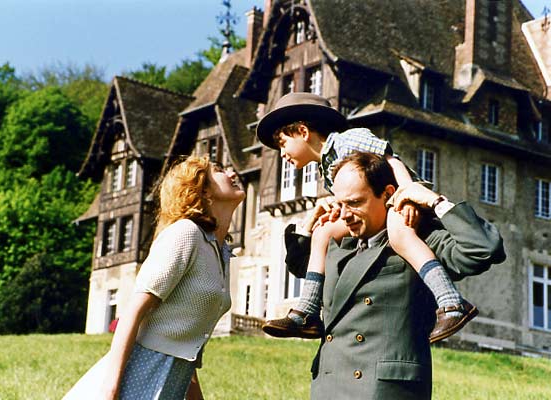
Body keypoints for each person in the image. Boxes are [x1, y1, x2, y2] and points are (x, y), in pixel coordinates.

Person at [256, 92, 478, 343]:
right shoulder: (327, 169)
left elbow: (391, 161)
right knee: (322, 233)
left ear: (302, 131)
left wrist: (407, 193)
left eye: (283, 143)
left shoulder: (347, 140)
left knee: (400, 235)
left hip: (396, 198)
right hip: (380, 207)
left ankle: (451, 302)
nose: (282, 154)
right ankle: (308, 311)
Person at [304, 152, 505, 399]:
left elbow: (485, 250)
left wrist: (434, 201)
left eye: (355, 203)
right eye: (340, 204)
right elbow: (302, 272)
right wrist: (308, 227)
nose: (345, 215)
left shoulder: (417, 238)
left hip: (385, 391)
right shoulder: (338, 243)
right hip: (328, 388)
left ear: (388, 194)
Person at [63, 156, 246, 400]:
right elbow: (133, 312)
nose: (233, 173)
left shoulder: (220, 252)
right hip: (138, 374)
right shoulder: (185, 233)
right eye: (220, 170)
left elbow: (186, 347)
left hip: (171, 383)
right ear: (202, 189)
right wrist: (110, 388)